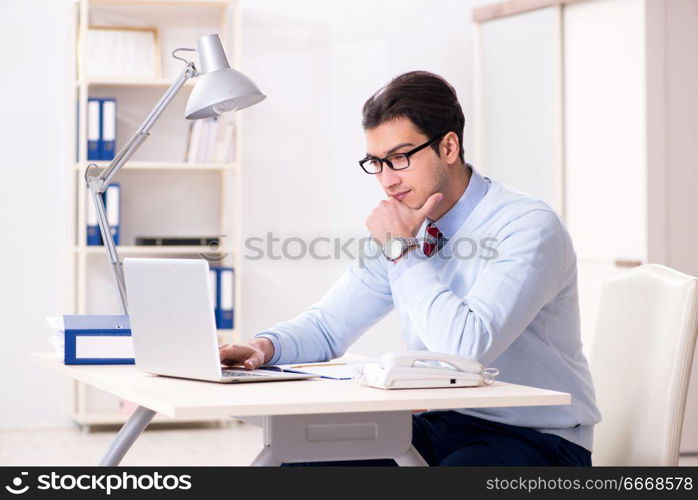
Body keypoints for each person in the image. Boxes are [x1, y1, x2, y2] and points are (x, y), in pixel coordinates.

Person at [220, 70, 601, 466]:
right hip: (439, 422)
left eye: (400, 158)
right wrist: (263, 347)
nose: (386, 180)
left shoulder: (526, 226)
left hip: (536, 439)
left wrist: (402, 250)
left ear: (449, 147)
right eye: (376, 163)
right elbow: (328, 325)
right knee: (299, 461)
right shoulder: (408, 225)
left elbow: (465, 351)